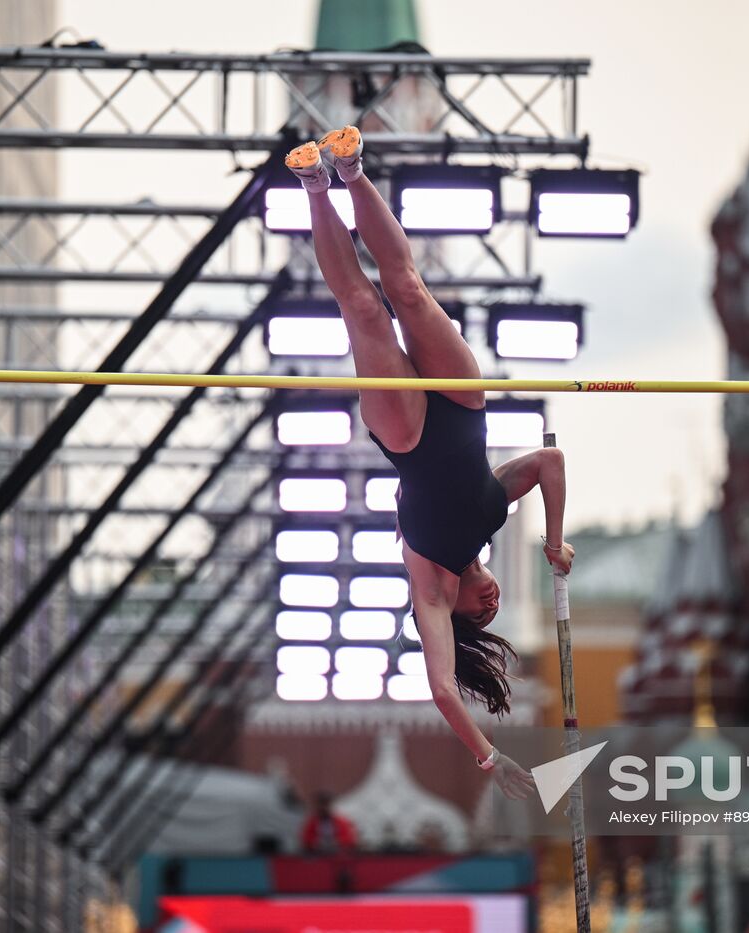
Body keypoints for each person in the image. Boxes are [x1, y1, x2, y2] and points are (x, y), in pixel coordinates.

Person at [286, 126, 575, 801]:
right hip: (461, 403)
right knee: (408, 290)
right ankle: (354, 171)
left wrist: (487, 758)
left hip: (409, 436)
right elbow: (551, 461)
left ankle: (314, 186)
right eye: (497, 602)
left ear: (466, 615)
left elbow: (442, 689)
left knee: (364, 308)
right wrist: (554, 539)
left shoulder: (436, 597)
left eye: (489, 611)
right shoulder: (492, 511)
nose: (494, 599)